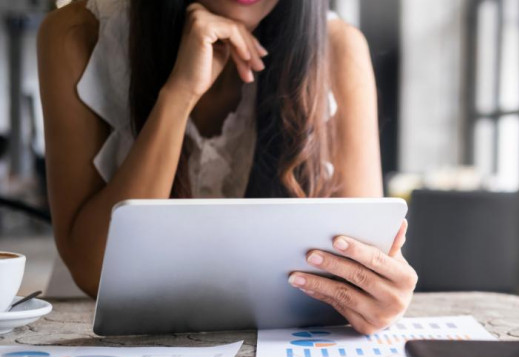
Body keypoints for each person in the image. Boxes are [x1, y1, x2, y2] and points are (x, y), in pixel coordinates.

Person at [37, 0, 417, 334]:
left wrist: (376, 293)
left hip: (267, 345)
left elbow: (362, 266)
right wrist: (178, 95)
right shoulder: (77, 35)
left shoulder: (338, 48)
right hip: (91, 341)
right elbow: (95, 274)